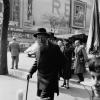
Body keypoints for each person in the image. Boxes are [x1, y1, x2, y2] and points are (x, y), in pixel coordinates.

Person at [27, 28, 66, 100]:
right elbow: (37, 62)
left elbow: (63, 61)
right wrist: (30, 72)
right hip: (41, 78)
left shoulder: (54, 47)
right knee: (47, 98)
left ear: (47, 38)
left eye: (43, 37)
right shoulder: (38, 47)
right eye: (39, 38)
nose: (41, 40)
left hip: (50, 79)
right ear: (37, 39)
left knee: (44, 97)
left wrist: (56, 72)